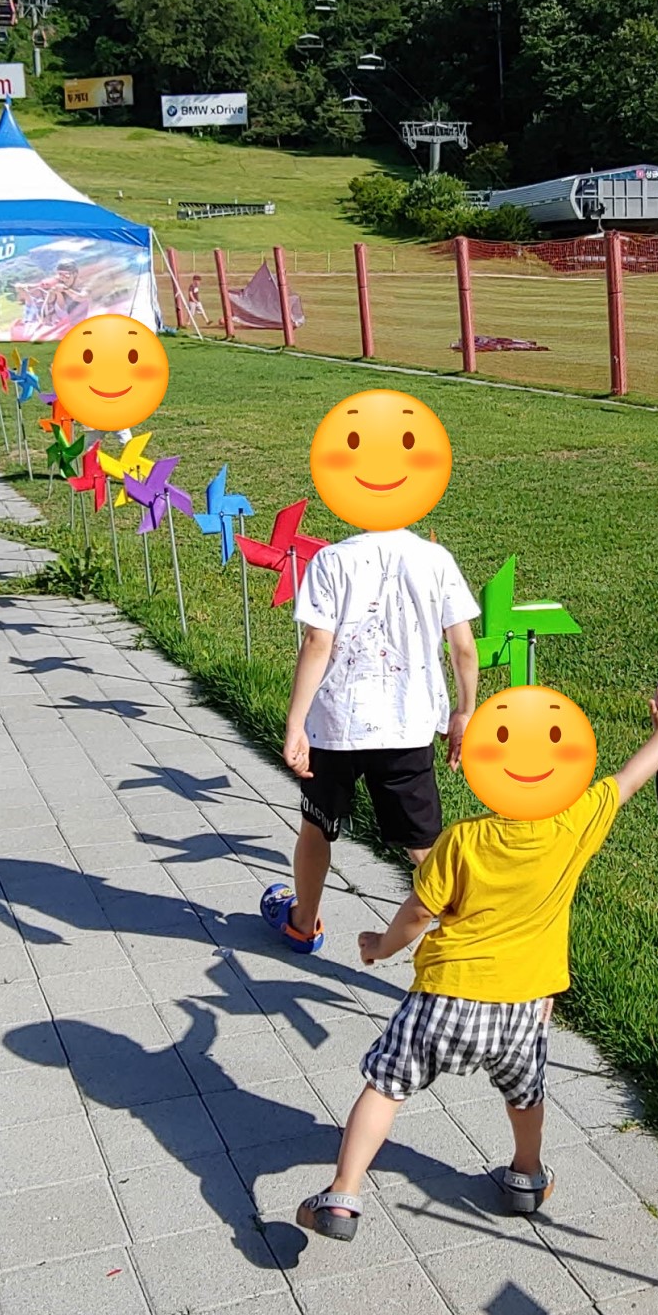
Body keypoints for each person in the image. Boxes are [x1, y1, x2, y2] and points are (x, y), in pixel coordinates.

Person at [295, 678, 658, 1241]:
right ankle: (527, 1175)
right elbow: (628, 781)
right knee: (525, 1095)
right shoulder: (572, 825)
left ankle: (343, 1193)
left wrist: (380, 946)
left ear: (485, 768)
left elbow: (419, 913)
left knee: (386, 1086)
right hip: (524, 1008)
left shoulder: (462, 841)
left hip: (445, 997)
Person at [261, 389, 479, 955]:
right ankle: (468, 939)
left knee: (317, 827)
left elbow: (317, 643)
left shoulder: (331, 560)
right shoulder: (436, 560)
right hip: (409, 725)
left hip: (336, 726)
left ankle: (303, 923)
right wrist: (464, 712)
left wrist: (295, 724)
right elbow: (463, 648)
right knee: (423, 844)